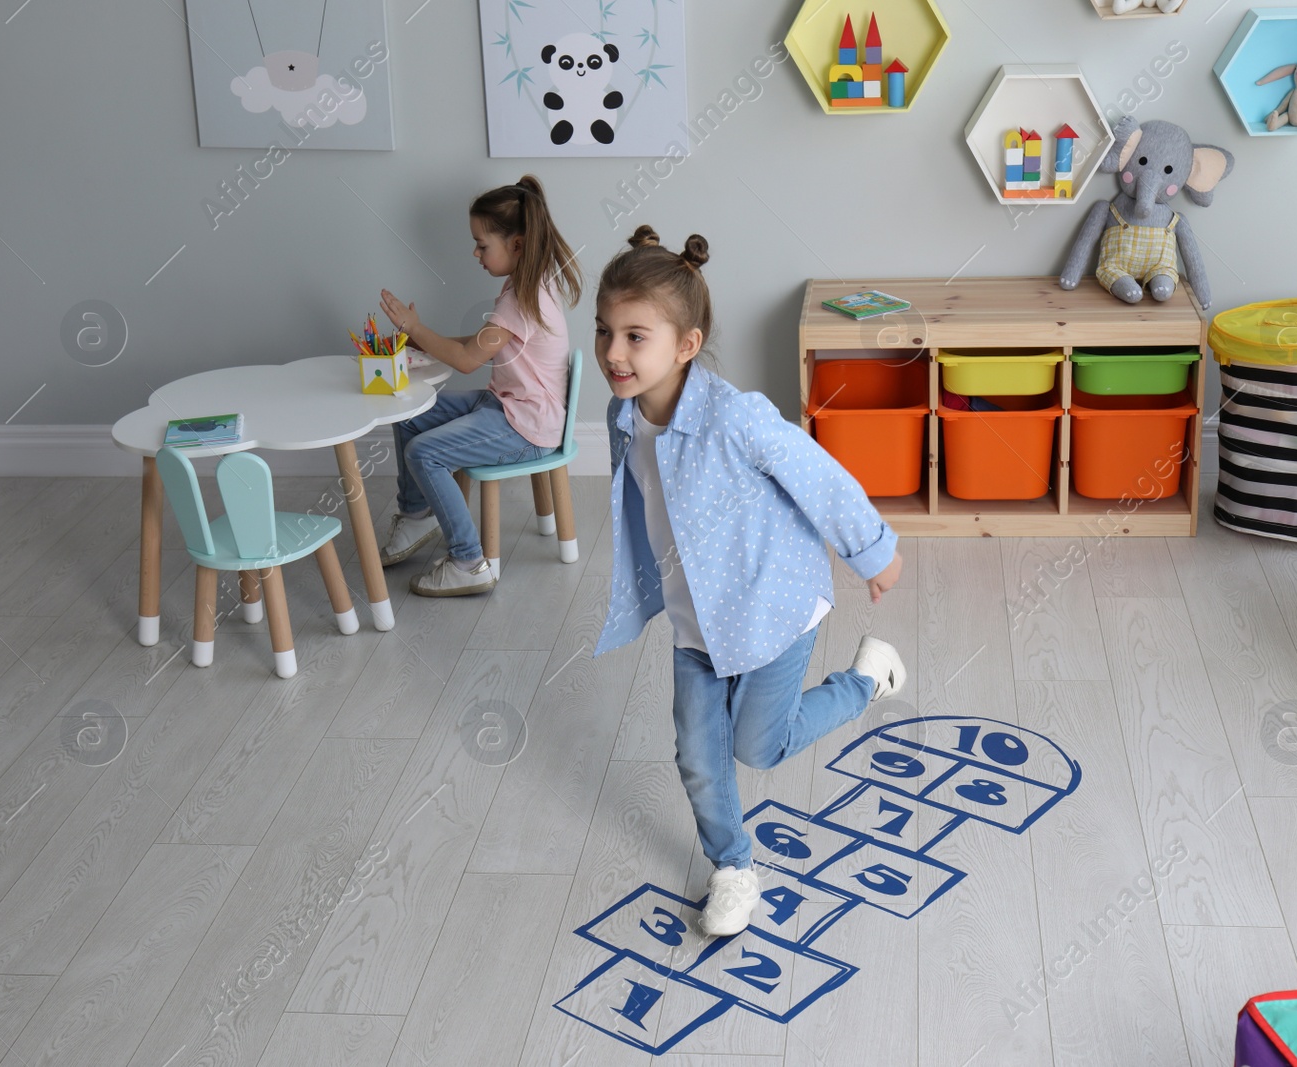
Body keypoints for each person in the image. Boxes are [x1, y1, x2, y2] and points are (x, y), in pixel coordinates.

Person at [591, 225, 907, 936]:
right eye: (605, 332)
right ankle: (733, 867)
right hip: (695, 623)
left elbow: (820, 477)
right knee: (699, 758)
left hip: (772, 610)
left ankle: (865, 679)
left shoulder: (736, 417)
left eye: (636, 336)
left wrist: (873, 550)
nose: (613, 352)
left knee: (757, 747)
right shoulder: (623, 415)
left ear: (687, 345)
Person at [376, 174, 581, 596]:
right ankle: (418, 516)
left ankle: (469, 561)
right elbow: (475, 346)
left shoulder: (520, 301)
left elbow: (468, 360)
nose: (475, 253)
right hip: (508, 407)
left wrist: (416, 326)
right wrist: (420, 338)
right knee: (410, 415)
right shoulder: (528, 285)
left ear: (518, 244)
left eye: (482, 245)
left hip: (526, 427)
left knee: (424, 452)